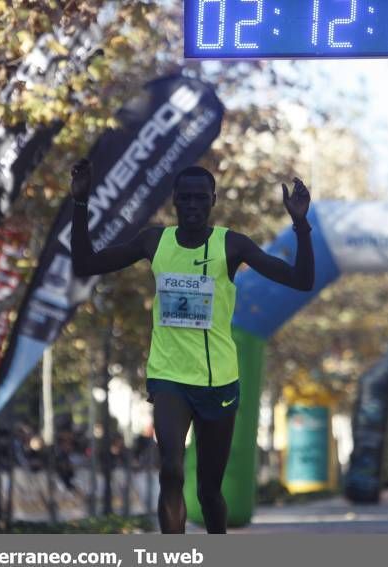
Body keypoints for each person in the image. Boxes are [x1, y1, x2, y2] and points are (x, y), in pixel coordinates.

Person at [70, 159, 314, 533]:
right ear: (175, 202)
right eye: (185, 198)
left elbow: (301, 280)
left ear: (213, 200)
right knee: (170, 469)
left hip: (219, 380)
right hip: (168, 377)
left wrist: (300, 224)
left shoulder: (232, 245)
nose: (193, 205)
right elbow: (85, 263)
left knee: (209, 490)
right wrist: (80, 203)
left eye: (200, 198)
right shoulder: (155, 241)